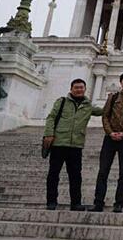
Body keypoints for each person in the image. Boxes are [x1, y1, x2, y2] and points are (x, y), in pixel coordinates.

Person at [44, 79, 103, 211]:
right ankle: (51, 201)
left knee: (76, 175)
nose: (79, 89)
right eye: (76, 87)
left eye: (81, 87)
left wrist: (113, 100)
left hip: (76, 145)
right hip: (59, 142)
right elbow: (51, 117)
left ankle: (76, 203)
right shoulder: (62, 101)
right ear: (71, 89)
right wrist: (49, 134)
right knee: (53, 173)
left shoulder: (88, 106)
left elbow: (103, 111)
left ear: (85, 89)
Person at [92, 72, 123, 213]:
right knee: (103, 171)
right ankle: (98, 202)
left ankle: (119, 203)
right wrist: (110, 132)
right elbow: (105, 115)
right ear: (121, 82)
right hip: (110, 138)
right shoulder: (112, 97)